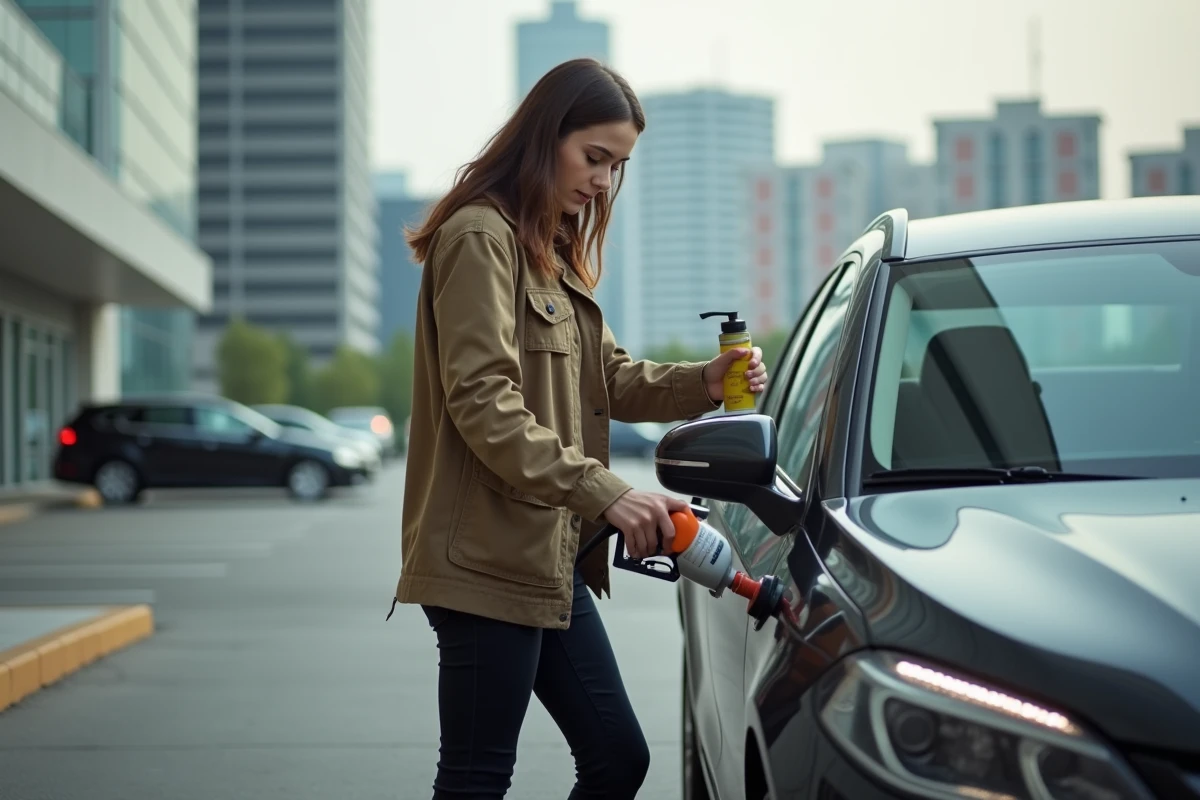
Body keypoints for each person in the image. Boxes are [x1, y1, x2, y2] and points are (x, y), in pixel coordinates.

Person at [389, 58, 769, 799]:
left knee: (618, 759)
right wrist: (605, 492)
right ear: (544, 136)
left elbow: (610, 379)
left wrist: (706, 381)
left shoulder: (549, 252)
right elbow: (483, 402)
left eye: (617, 166)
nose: (602, 182)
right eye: (593, 158)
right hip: (484, 560)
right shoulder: (479, 238)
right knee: (476, 777)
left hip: (546, 556)